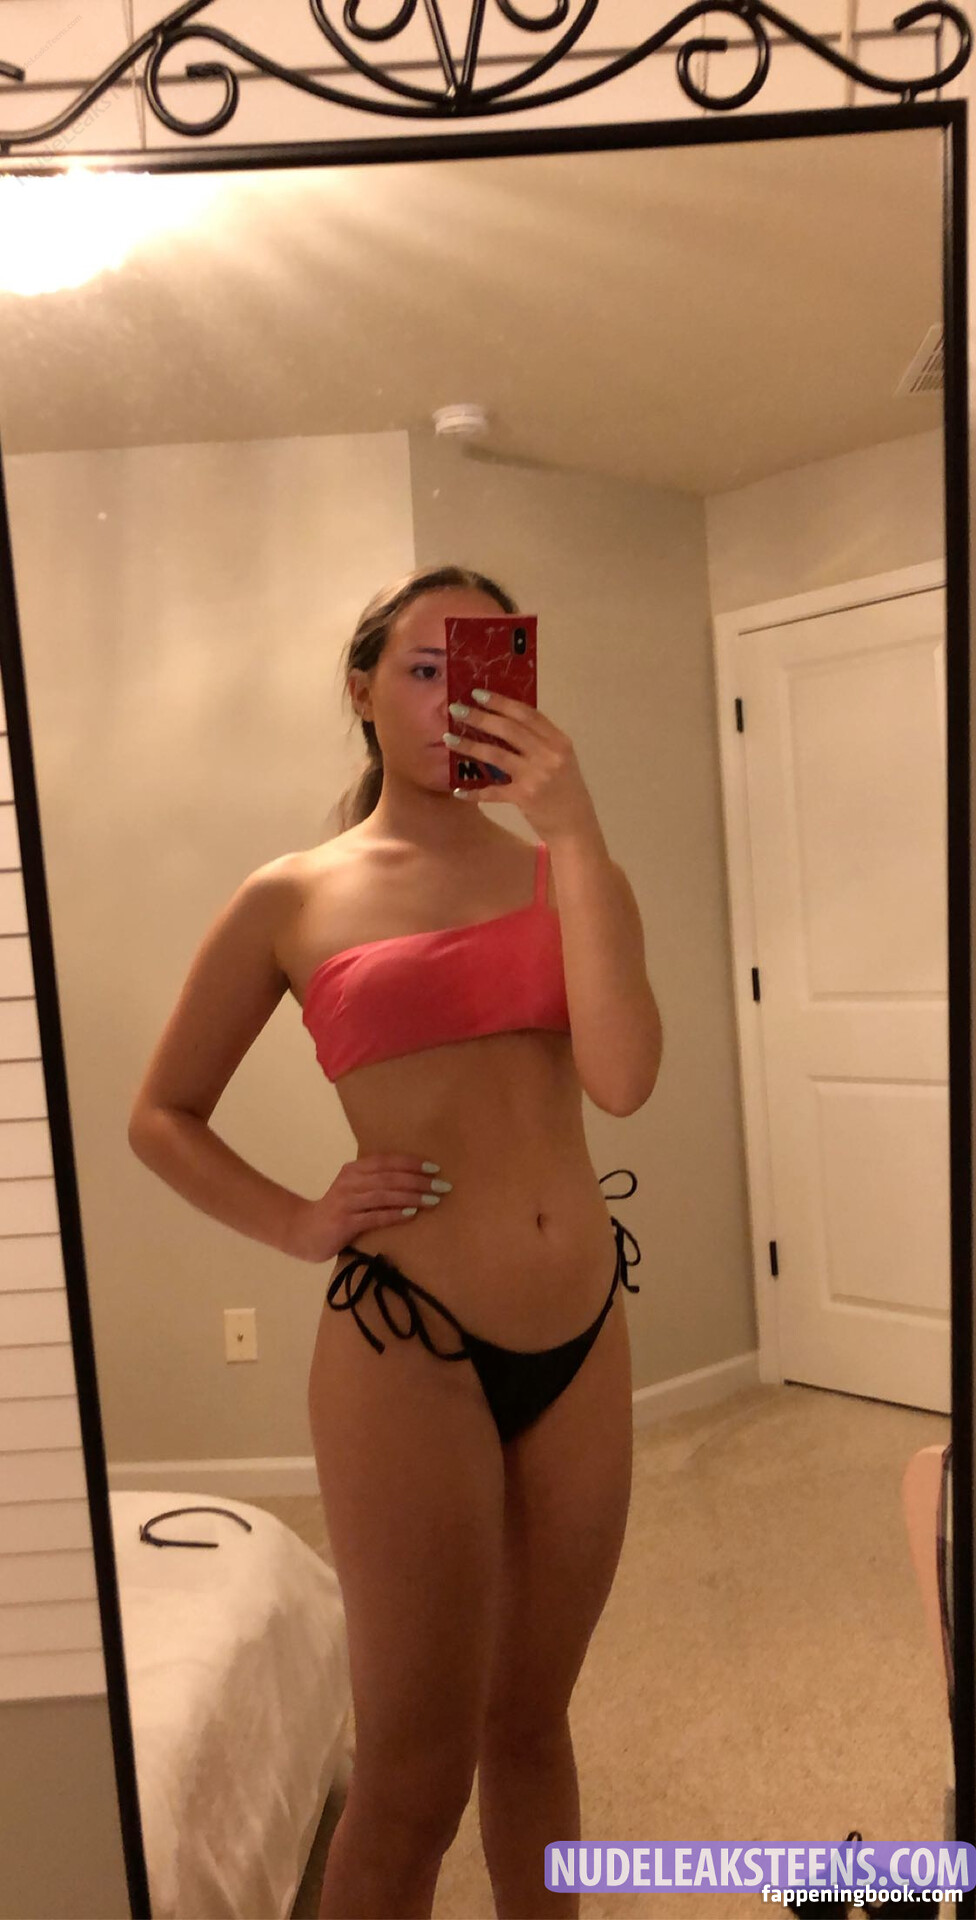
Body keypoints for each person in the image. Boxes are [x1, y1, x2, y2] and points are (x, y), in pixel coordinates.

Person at [127, 561, 663, 1920]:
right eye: (425, 668)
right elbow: (161, 1115)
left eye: (487, 664)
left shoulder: (568, 870)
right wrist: (300, 1221)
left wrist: (578, 833)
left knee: (533, 1725)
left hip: (584, 1330)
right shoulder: (292, 897)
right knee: (416, 1778)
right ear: (361, 691)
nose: (454, 699)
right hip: (408, 1349)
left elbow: (623, 1078)